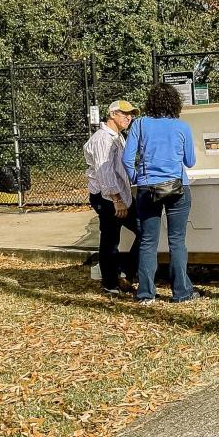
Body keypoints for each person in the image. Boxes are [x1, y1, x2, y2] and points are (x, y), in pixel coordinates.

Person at [122, 83, 200, 305]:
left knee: (148, 241)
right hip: (177, 187)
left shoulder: (139, 124)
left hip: (147, 189)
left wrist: (137, 178)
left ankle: (146, 293)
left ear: (151, 102)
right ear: (175, 103)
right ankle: (181, 292)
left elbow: (127, 159)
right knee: (177, 241)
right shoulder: (182, 127)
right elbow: (190, 162)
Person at [84, 99, 141, 296]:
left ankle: (123, 273)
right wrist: (117, 199)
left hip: (120, 195)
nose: (129, 117)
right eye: (124, 113)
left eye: (131, 114)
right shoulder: (103, 139)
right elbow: (105, 172)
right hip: (107, 197)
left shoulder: (118, 137)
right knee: (110, 238)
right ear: (112, 114)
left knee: (139, 231)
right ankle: (111, 283)